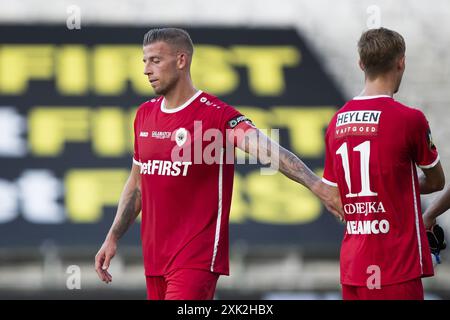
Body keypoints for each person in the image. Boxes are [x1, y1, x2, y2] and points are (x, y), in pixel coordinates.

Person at [94, 27, 344, 300]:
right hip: (154, 260)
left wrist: (316, 184)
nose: (146, 69)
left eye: (155, 60)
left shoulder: (216, 117)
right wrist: (113, 236)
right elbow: (137, 184)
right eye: (145, 61)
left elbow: (266, 149)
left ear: (181, 61)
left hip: (195, 261)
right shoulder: (144, 115)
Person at [322, 27, 445, 300]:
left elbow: (332, 194)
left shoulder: (336, 122)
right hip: (394, 270)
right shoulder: (409, 120)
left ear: (361, 64)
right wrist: (397, 187)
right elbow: (438, 182)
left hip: (354, 269)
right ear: (401, 62)